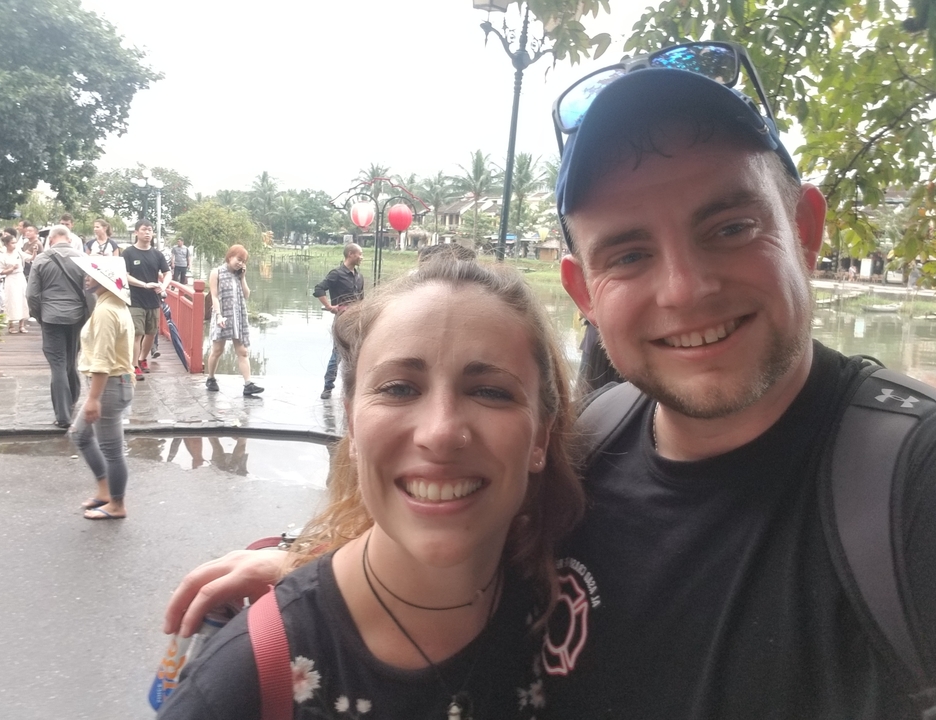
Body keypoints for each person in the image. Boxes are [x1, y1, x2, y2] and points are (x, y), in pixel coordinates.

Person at [165, 41, 936, 719]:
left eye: (730, 228)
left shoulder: (910, 492)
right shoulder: (594, 444)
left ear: (804, 231)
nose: (684, 289)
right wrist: (312, 577)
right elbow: (456, 521)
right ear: (585, 294)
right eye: (629, 254)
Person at [159, 259, 582, 719]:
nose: (440, 433)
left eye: (491, 392)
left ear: (541, 436)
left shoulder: (566, 614)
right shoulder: (239, 681)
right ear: (352, 425)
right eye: (399, 389)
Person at [69, 255, 135, 520]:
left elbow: (103, 359)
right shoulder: (110, 304)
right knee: (80, 435)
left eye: (92, 273)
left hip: (108, 386)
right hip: (112, 384)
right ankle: (105, 491)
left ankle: (117, 505)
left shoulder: (107, 310)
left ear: (106, 279)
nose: (86, 276)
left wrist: (93, 398)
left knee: (111, 450)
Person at [26, 224, 87, 428]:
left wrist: (40, 316)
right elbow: (91, 292)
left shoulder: (42, 259)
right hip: (77, 316)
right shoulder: (82, 258)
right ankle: (72, 399)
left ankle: (62, 416)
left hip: (51, 317)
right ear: (69, 240)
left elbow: (32, 295)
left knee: (58, 365)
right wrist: (87, 317)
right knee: (71, 359)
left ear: (50, 240)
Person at [205, 244, 264, 396]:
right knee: (217, 350)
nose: (240, 263)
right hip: (222, 315)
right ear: (230, 256)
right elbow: (214, 296)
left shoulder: (239, 275)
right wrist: (218, 315)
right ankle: (211, 378)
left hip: (238, 316)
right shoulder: (216, 272)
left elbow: (246, 294)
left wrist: (243, 277)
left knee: (243, 351)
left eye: (243, 261)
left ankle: (248, 384)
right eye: (239, 259)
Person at [122, 219, 171, 380]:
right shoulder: (128, 253)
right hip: (135, 300)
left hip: (153, 300)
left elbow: (167, 272)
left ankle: (143, 359)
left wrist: (163, 286)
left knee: (151, 332)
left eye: (150, 230)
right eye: (144, 229)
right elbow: (125, 275)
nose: (148, 232)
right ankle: (134, 365)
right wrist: (143, 284)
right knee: (137, 334)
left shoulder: (157, 254)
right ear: (136, 232)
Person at [313, 242, 363, 399]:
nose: (362, 257)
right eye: (359, 254)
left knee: (357, 353)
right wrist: (329, 306)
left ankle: (352, 388)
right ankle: (328, 386)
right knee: (338, 352)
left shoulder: (358, 276)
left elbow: (361, 299)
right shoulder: (337, 274)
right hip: (342, 318)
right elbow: (319, 289)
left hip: (357, 319)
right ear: (351, 254)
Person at [0, 234, 30, 333]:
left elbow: (30, 258)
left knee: (23, 299)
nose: (14, 245)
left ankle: (22, 324)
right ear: (7, 244)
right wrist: (11, 269)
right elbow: (1, 271)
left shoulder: (18, 252)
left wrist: (35, 251)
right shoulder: (2, 256)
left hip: (20, 277)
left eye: (15, 242)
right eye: (12, 243)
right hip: (10, 279)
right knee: (11, 300)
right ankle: (10, 324)